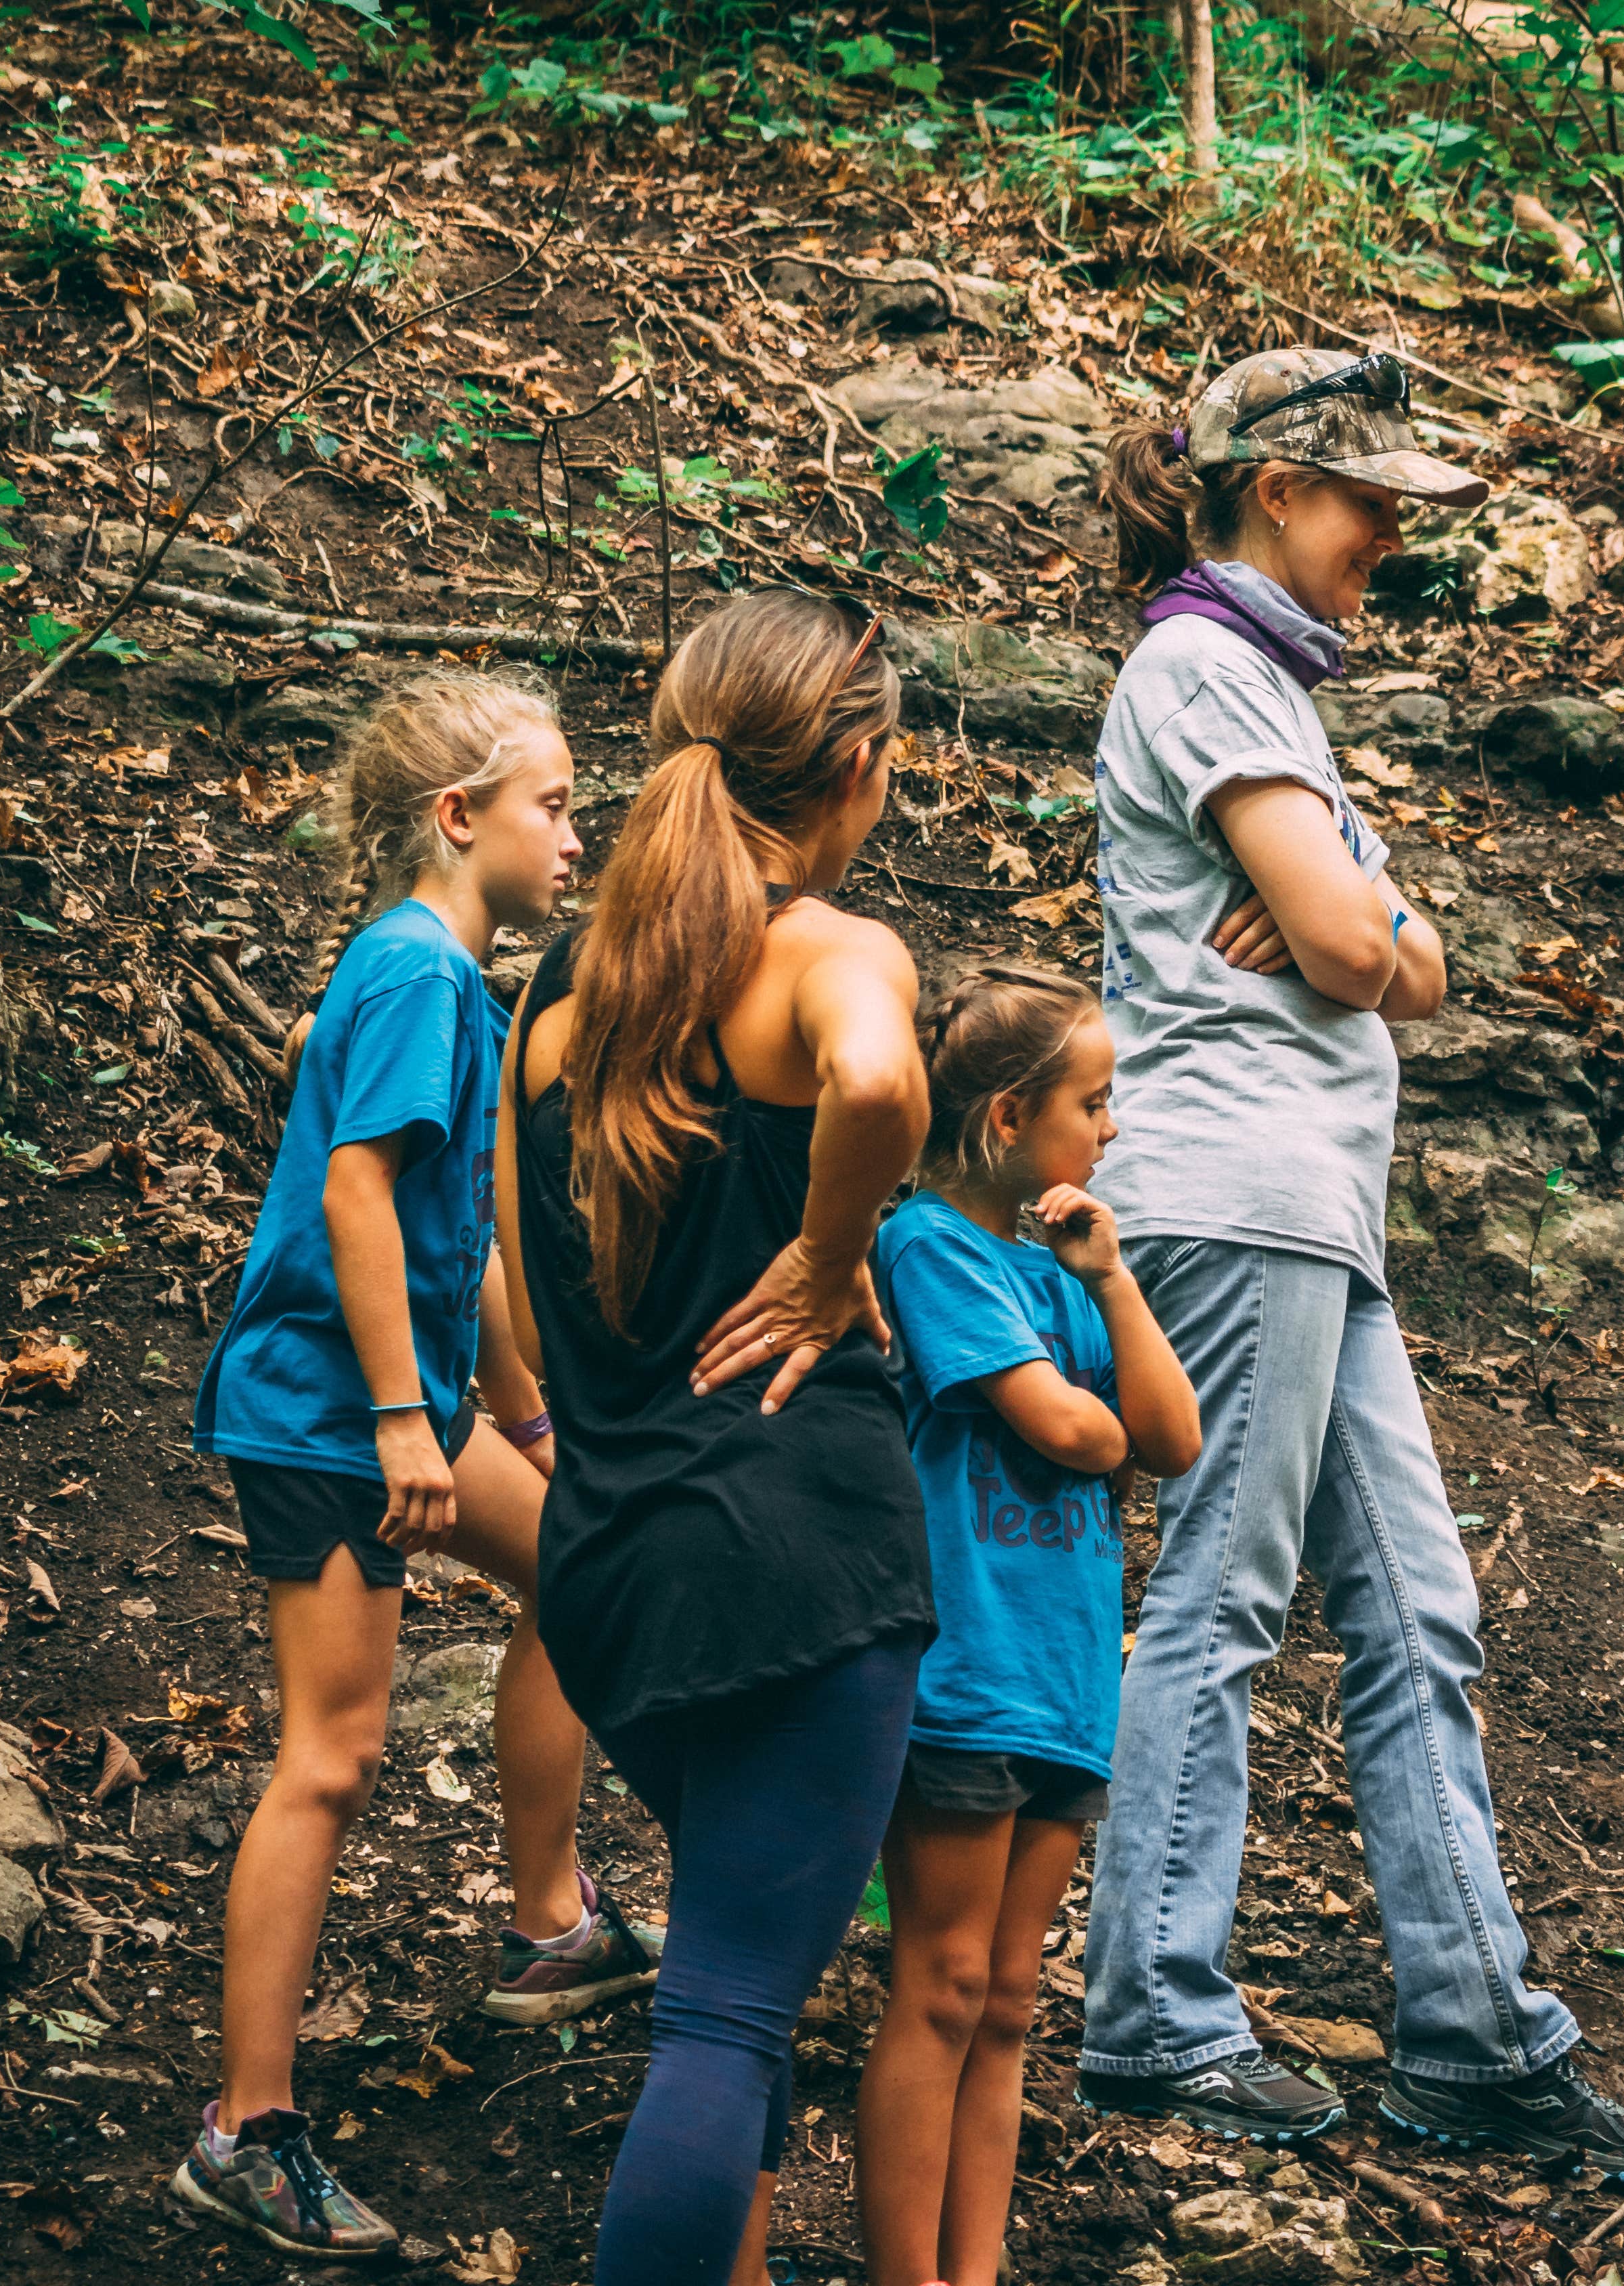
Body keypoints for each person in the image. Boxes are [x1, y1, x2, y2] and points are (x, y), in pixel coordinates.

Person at [1070, 347, 1624, 2180]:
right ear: (1275, 493)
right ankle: (1155, 2015)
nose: (1389, 542)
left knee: (1419, 1607)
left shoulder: (1264, 683)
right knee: (1226, 1598)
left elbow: (1401, 955)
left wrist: (1369, 916)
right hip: (1238, 1186)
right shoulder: (1202, 667)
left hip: (1314, 1205)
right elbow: (1357, 952)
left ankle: (1474, 2034)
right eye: (1369, 506)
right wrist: (1362, 917)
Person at [172, 674, 653, 2261]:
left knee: (580, 1559)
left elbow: (466, 1242)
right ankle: (248, 2129)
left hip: (402, 1395)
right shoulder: (416, 973)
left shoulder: (449, 978)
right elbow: (362, 1196)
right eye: (553, 806)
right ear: (460, 816)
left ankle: (549, 1925)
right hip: (326, 1410)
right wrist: (398, 1415)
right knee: (334, 1750)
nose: (574, 838)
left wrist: (520, 1420)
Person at [499, 590, 936, 2283]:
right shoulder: (827, 951)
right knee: (732, 2012)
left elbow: (521, 1281)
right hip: (795, 1566)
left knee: (725, 1972)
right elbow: (882, 1087)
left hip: (615, 1570)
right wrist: (828, 1254)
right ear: (858, 766)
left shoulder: (565, 993)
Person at [856, 964, 1202, 2286]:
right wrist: (1099, 1426)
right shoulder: (929, 1245)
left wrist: (1110, 1281)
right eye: (1091, 1103)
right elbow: (1072, 1429)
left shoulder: (1062, 1269)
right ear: (1009, 1117)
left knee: (1006, 2002)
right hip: (966, 1673)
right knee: (942, 1983)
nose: (1112, 1127)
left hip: (1065, 1686)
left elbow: (1170, 1437)